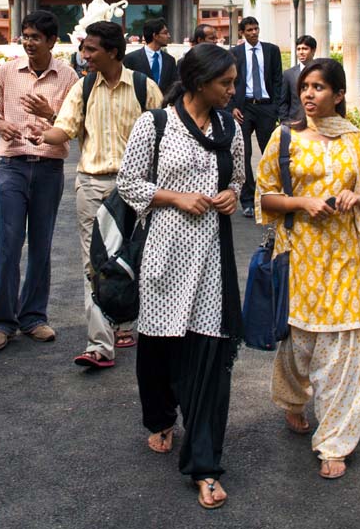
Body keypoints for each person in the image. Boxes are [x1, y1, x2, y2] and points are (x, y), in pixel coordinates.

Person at [117, 43, 244, 511]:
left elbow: (238, 180)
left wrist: (230, 195)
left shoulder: (231, 127)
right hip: (163, 255)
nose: (233, 90)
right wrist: (175, 197)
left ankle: (205, 465)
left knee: (207, 357)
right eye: (225, 83)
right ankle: (160, 416)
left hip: (212, 257)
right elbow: (128, 184)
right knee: (159, 349)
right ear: (197, 82)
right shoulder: (156, 124)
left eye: (233, 82)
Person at [256, 58, 360, 480]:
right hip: (299, 256)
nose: (309, 94)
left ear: (339, 95)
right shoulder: (284, 138)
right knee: (300, 344)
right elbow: (265, 198)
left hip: (347, 255)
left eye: (319, 87)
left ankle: (335, 442)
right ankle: (294, 399)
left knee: (343, 351)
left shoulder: (358, 142)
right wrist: (301, 203)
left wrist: (357, 200)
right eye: (306, 87)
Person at [29, 20, 163, 370]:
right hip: (92, 184)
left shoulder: (143, 87)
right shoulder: (83, 88)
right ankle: (100, 345)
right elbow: (65, 129)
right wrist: (42, 134)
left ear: (113, 52)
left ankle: (126, 322)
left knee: (136, 259)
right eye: (84, 48)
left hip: (135, 188)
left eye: (90, 49)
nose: (83, 54)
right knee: (95, 264)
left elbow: (163, 136)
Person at [0, 10, 78, 352]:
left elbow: (73, 122)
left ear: (53, 41)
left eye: (36, 37)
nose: (29, 42)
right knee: (9, 242)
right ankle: (1, 321)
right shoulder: (8, 70)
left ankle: (34, 316)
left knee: (41, 244)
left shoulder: (68, 76)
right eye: (25, 36)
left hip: (49, 169)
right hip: (13, 165)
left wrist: (49, 116)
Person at [229, 16, 282, 217]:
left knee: (270, 153)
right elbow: (231, 81)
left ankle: (271, 196)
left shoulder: (271, 50)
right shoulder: (235, 53)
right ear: (242, 32)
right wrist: (233, 106)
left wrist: (276, 107)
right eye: (249, 30)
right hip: (244, 108)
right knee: (244, 154)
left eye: (256, 29)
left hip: (266, 107)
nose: (254, 32)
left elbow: (278, 79)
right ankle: (248, 200)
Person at [123, 17, 178, 96]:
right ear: (155, 35)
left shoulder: (170, 60)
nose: (169, 36)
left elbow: (173, 86)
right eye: (165, 33)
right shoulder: (131, 59)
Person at [278, 35, 317, 124]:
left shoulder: (321, 72)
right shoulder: (289, 74)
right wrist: (285, 122)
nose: (301, 52)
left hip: (317, 122)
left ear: (313, 50)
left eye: (305, 49)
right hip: (294, 121)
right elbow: (284, 101)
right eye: (298, 49)